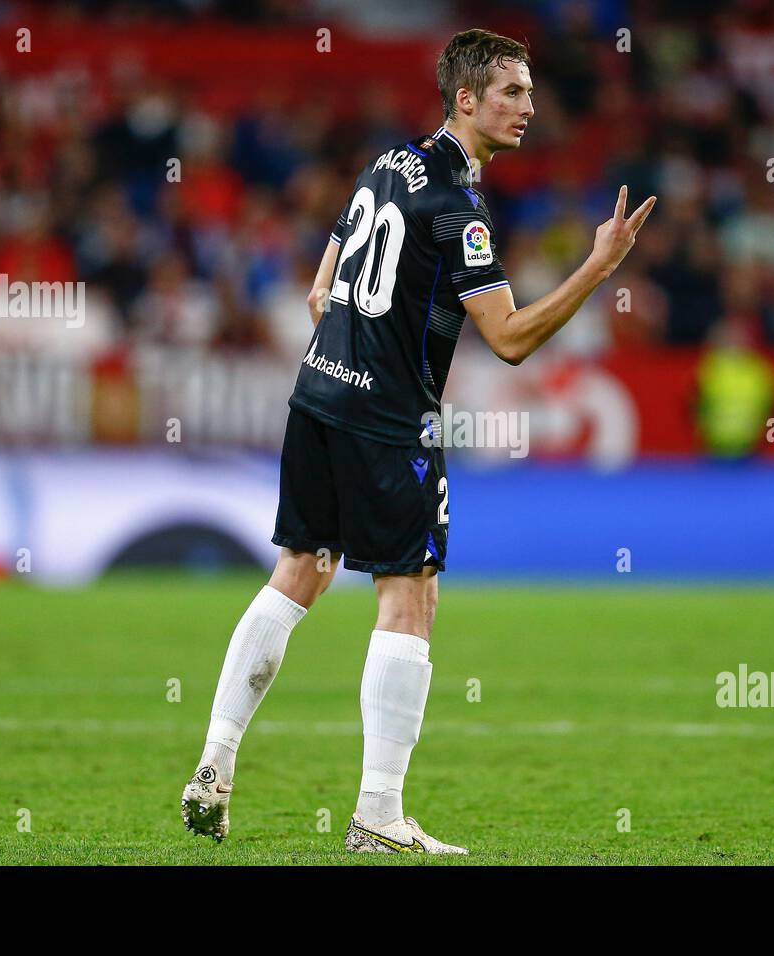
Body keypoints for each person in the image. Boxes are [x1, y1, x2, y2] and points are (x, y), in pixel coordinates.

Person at [182, 28, 656, 852]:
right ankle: (378, 813)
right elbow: (508, 338)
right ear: (466, 99)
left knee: (298, 571)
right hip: (388, 420)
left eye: (532, 92)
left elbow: (332, 253)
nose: (529, 108)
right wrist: (596, 269)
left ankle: (215, 764)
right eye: (511, 92)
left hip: (317, 392)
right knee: (411, 595)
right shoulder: (458, 207)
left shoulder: (392, 162)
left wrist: (329, 285)